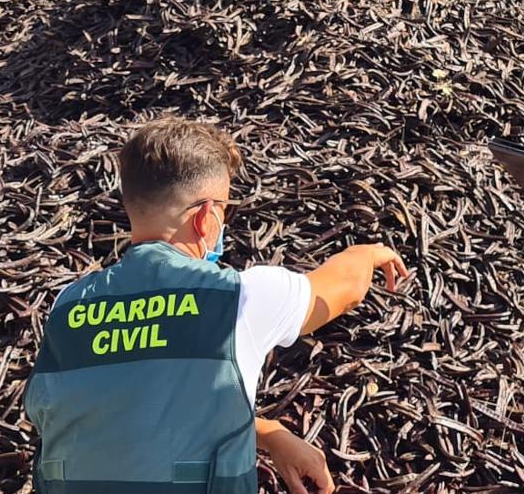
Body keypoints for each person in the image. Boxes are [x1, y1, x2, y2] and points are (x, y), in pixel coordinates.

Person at [24, 117, 408, 494]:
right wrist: (369, 251)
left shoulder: (67, 306)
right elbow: (345, 288)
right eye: (225, 209)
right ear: (207, 216)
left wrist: (269, 433)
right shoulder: (239, 297)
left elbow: (125, 418)